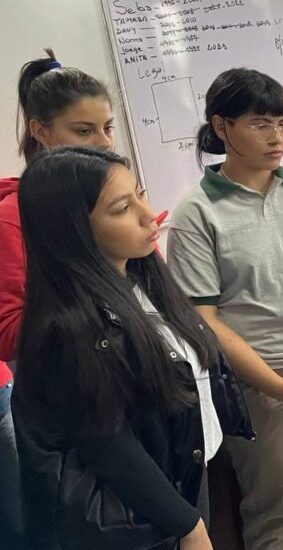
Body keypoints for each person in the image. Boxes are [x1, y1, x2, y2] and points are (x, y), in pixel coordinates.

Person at [13, 146, 252, 550]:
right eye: (123, 208)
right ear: (74, 229)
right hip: (137, 516)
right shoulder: (70, 326)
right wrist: (187, 525)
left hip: (183, 478)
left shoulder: (143, 278)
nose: (148, 214)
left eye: (140, 194)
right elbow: (108, 445)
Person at [167, 68, 283, 550]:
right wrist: (277, 385)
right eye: (260, 124)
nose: (277, 138)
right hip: (258, 381)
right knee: (276, 509)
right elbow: (204, 321)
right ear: (222, 126)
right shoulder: (198, 213)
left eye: (282, 124)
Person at [0, 49, 116, 550]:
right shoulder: (14, 217)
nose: (104, 143)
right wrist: (92, 286)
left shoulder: (109, 199)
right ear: (40, 132)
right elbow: (8, 333)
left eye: (107, 128)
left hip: (124, 392)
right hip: (66, 407)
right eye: (84, 130)